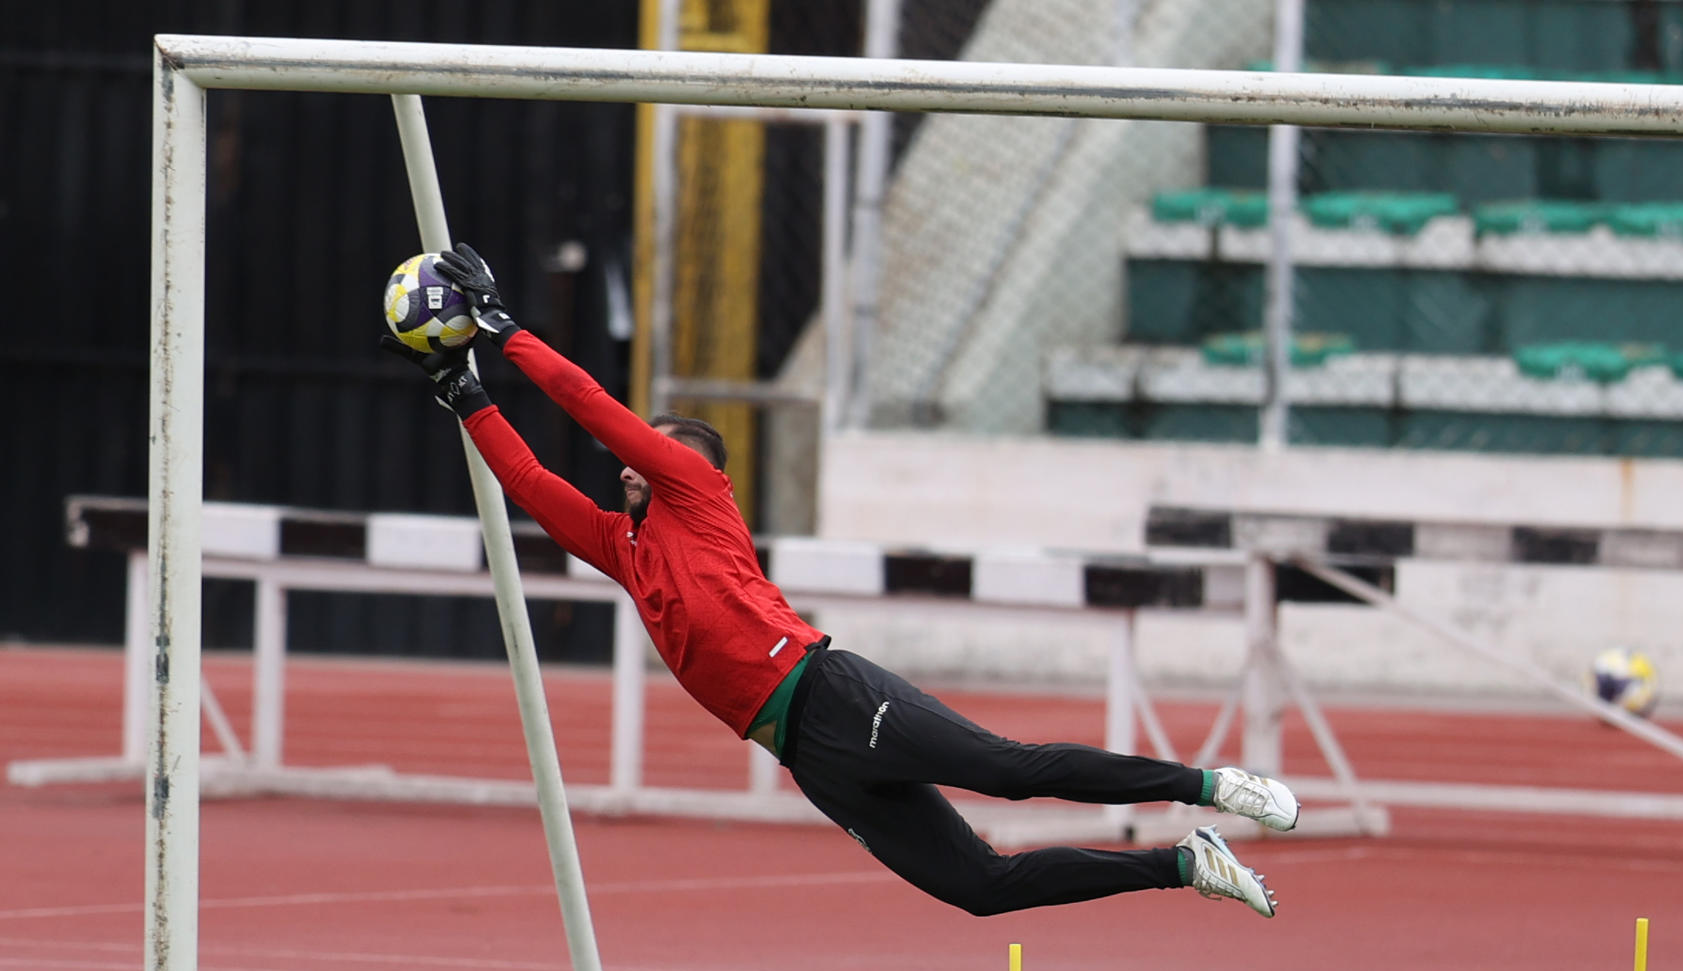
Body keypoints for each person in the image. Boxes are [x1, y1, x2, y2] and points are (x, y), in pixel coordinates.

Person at [384, 243, 1301, 919]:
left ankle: (1214, 784)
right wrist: (467, 399)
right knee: (980, 888)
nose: (633, 468)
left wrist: (508, 335)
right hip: (805, 752)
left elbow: (591, 409)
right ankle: (1186, 866)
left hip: (831, 690)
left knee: (1007, 771)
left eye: (656, 453)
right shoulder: (628, 549)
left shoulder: (698, 492)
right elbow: (535, 488)